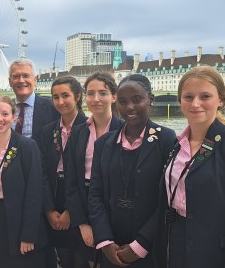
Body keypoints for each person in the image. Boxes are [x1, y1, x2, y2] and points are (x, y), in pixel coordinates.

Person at [153, 66, 225, 268]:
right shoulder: (177, 146)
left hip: (216, 257)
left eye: (205, 96)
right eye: (188, 97)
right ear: (180, 100)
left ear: (221, 100)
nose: (195, 103)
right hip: (176, 252)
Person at [88, 75, 176, 267]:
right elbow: (95, 193)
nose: (129, 107)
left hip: (150, 250)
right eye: (123, 101)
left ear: (150, 100)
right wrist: (104, 241)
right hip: (111, 247)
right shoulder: (104, 144)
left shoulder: (166, 140)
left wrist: (140, 245)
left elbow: (168, 199)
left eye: (137, 100)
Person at [0, 95, 48, 268]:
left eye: (5, 114)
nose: (0, 119)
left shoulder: (27, 146)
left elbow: (34, 193)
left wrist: (28, 235)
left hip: (18, 219)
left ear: (14, 116)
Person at [65, 71, 124, 267]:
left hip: (112, 204)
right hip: (84, 201)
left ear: (114, 97)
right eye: (91, 93)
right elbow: (72, 179)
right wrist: (82, 222)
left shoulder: (124, 130)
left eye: (103, 93)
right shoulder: (79, 132)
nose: (96, 99)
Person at [39, 76, 88, 268]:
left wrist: (72, 211)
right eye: (55, 97)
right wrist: (49, 209)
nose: (60, 102)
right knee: (64, 259)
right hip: (54, 199)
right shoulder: (47, 131)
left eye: (65, 95)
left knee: (81, 260)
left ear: (77, 96)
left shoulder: (89, 128)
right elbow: (42, 172)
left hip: (80, 204)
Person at [8, 58, 59, 140]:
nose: (21, 80)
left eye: (26, 76)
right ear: (10, 82)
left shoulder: (52, 107)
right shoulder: (5, 108)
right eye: (16, 76)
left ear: (35, 80)